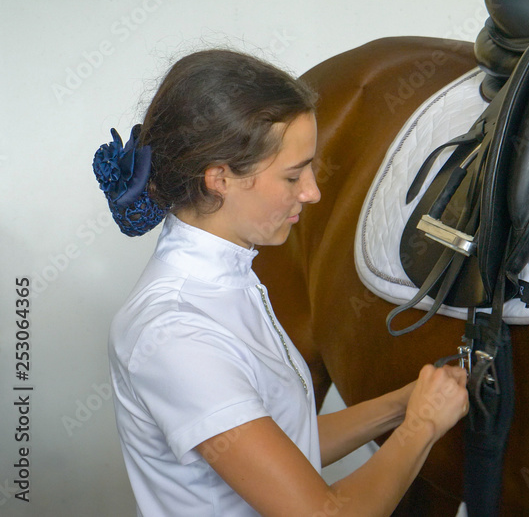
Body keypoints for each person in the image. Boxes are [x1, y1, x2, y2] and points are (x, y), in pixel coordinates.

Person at [95, 49, 469, 516]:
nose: (312, 191)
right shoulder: (175, 332)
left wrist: (402, 404)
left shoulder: (232, 282)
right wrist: (423, 427)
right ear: (220, 179)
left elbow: (289, 443)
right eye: (293, 175)